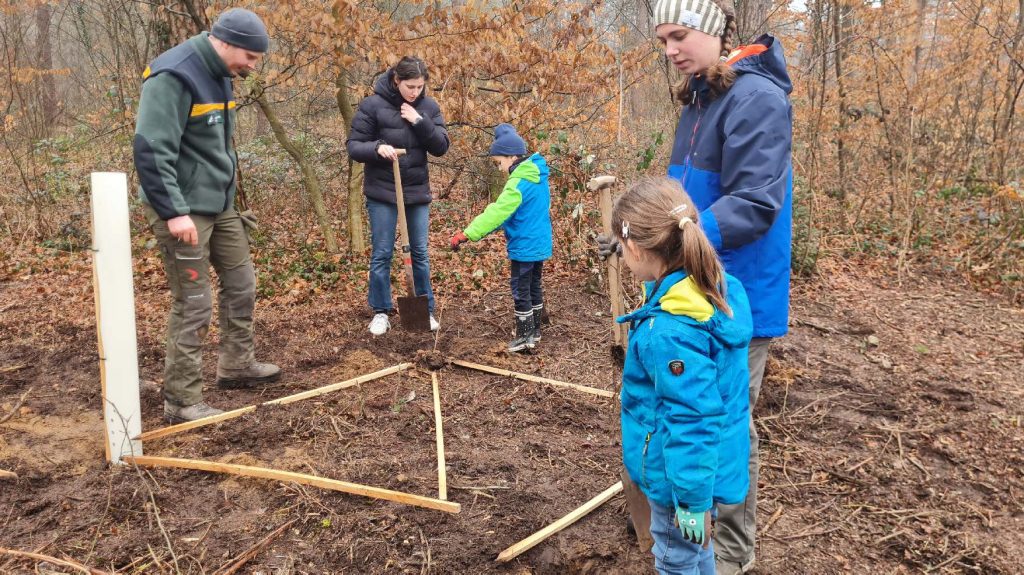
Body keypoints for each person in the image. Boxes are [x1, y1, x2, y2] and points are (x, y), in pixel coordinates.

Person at [599, 1, 792, 571]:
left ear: (713, 29)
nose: (670, 50)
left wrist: (660, 243)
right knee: (682, 410)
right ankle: (680, 519)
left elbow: (754, 203)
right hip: (684, 287)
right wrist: (632, 233)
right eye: (662, 39)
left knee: (723, 424)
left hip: (729, 298)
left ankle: (728, 552)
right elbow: (679, 200)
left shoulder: (755, 99)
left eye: (679, 35)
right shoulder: (701, 98)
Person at [134, 8, 281, 424]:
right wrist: (174, 212)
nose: (252, 66)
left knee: (242, 284)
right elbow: (150, 149)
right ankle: (182, 399)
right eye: (249, 57)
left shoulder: (221, 73)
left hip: (220, 204)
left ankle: (236, 364)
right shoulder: (174, 75)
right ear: (226, 42)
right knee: (195, 303)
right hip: (182, 209)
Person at [614, 177, 753, 575]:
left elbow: (693, 419)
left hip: (679, 481)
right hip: (705, 469)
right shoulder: (709, 286)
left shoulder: (671, 332)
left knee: (675, 559)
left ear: (636, 249)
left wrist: (691, 503)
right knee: (696, 553)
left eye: (622, 247)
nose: (622, 255)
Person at [347, 56, 450, 336]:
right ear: (396, 80)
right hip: (383, 191)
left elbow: (441, 147)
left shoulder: (428, 107)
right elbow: (354, 146)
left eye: (419, 86)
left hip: (416, 191)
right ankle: (381, 311)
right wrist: (376, 148)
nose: (415, 92)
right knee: (382, 253)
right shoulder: (372, 105)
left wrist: (419, 121)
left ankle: (425, 309)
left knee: (420, 253)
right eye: (409, 86)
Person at [450, 124, 552, 352]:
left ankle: (525, 337)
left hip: (524, 245)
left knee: (521, 288)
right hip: (540, 242)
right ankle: (535, 332)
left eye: (499, 162)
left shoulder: (518, 182)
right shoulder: (538, 175)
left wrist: (467, 233)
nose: (499, 168)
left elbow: (497, 213)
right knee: (533, 285)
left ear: (511, 156)